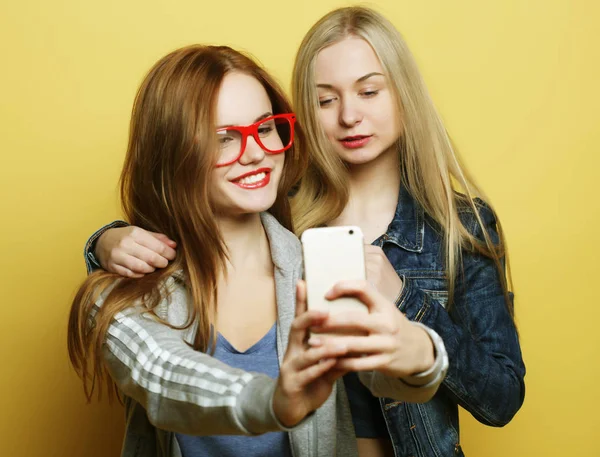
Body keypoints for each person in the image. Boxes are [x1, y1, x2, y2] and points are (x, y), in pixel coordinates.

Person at [85, 6, 526, 457]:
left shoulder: (454, 226)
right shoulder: (287, 216)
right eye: (325, 99)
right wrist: (106, 242)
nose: (349, 115)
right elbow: (161, 366)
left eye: (369, 90)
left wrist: (414, 321)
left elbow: (467, 389)